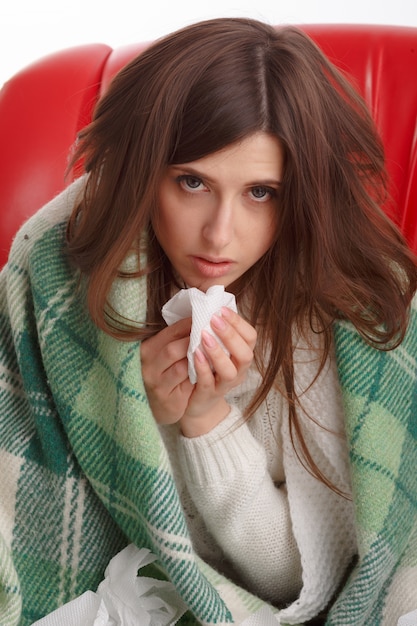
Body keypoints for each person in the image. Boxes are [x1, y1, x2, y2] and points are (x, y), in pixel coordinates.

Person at [1, 16, 417, 626]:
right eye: (192, 182)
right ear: (142, 172)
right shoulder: (63, 258)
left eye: (260, 193)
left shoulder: (338, 311)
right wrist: (129, 411)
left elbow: (302, 582)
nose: (220, 235)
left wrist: (204, 422)